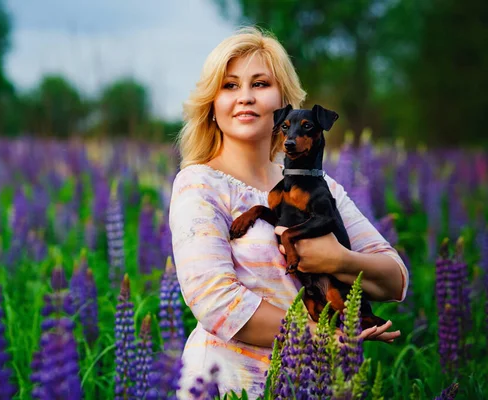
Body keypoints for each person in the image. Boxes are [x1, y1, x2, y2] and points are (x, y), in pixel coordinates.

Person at [168, 26, 409, 398]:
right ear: (211, 106)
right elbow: (214, 301)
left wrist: (339, 259)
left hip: (313, 385)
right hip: (227, 383)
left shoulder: (321, 186)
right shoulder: (199, 184)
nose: (245, 97)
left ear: (284, 103)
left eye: (260, 84)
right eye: (229, 86)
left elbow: (394, 279)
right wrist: (321, 335)